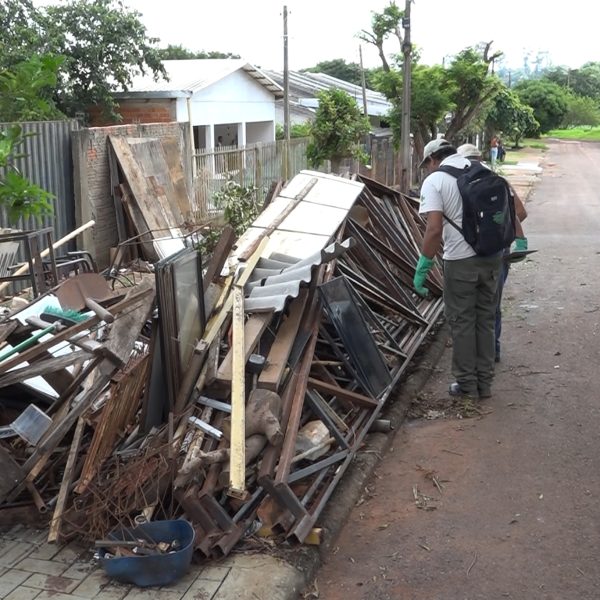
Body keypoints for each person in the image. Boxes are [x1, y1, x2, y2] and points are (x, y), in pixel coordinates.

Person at [413, 138, 503, 399]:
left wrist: (423, 266)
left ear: (432, 159)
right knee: (485, 319)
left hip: (460, 261)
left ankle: (466, 385)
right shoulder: (482, 170)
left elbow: (433, 229)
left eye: (427, 164)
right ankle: (484, 383)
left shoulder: (435, 181)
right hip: (491, 256)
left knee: (462, 322)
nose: (428, 169)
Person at [456, 143, 528, 362]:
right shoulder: (500, 181)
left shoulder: (460, 183)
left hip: (469, 252)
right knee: (493, 303)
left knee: (469, 306)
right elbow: (521, 212)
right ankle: (493, 349)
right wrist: (503, 229)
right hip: (500, 251)